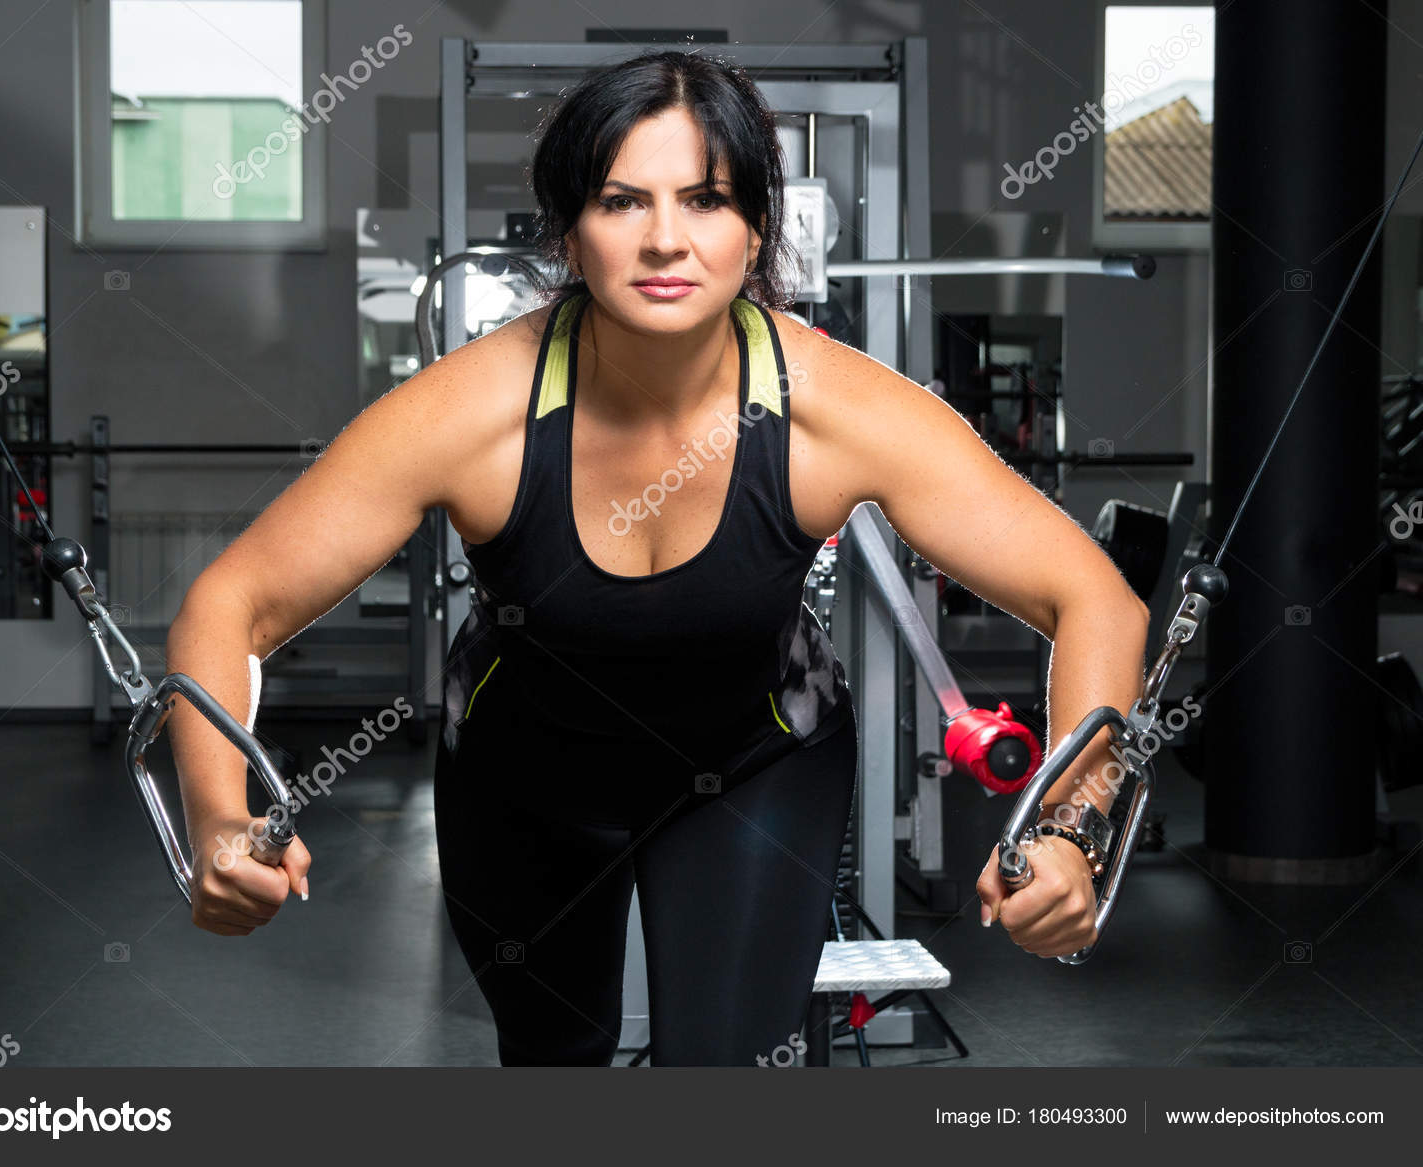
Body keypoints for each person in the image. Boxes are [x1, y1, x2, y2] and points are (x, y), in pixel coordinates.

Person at [163, 51, 1150, 1067]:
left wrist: (1071, 826)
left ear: (758, 227)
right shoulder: (470, 413)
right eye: (621, 200)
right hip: (521, 779)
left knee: (720, 1071)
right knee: (553, 1058)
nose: (665, 239)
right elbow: (231, 601)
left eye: (707, 201)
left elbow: (1094, 600)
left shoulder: (839, 410)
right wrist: (218, 822)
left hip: (757, 764)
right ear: (568, 229)